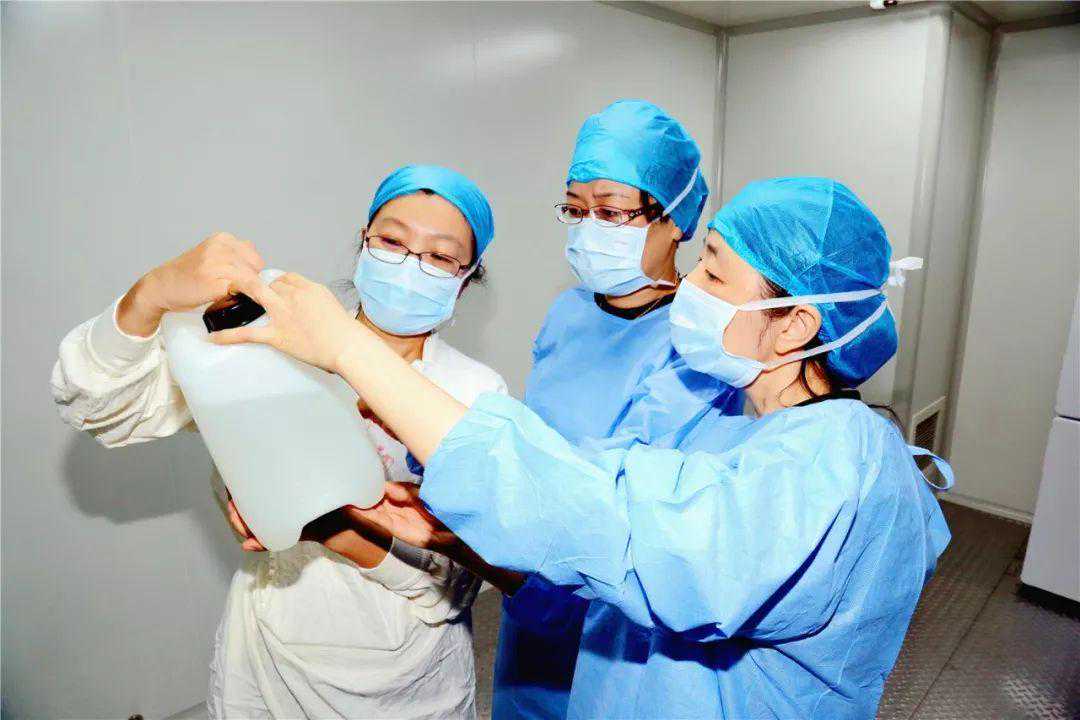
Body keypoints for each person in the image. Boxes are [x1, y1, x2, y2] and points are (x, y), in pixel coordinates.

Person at [212, 176, 953, 719]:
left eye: (713, 269)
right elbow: (606, 544)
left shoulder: (834, 466)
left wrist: (345, 346)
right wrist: (450, 538)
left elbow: (621, 529)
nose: (689, 283)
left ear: (792, 325)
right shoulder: (755, 433)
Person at [50, 165, 508, 719]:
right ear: (363, 241)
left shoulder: (474, 394)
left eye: (439, 256)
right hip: (267, 659)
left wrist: (334, 530)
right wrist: (150, 296)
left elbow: (463, 580)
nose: (411, 265)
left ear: (466, 276)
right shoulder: (271, 339)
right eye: (392, 241)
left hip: (409, 680)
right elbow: (99, 408)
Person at [499, 99, 743, 719]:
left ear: (675, 219)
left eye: (611, 212)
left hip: (624, 605)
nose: (588, 230)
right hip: (530, 583)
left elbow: (631, 495)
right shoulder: (568, 313)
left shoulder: (700, 343)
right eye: (575, 209)